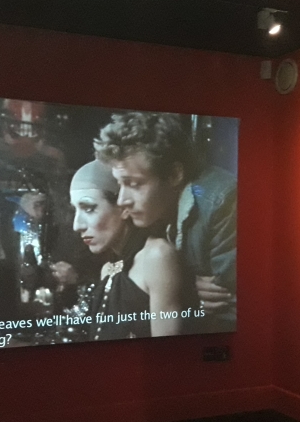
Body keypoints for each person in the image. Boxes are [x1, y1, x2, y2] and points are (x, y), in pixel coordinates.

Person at [93, 112, 236, 333]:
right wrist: (188, 289)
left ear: (174, 174)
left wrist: (187, 298)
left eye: (134, 184)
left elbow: (237, 309)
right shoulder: (156, 210)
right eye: (120, 184)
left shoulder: (222, 202)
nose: (122, 200)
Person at [69, 160, 188, 339]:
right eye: (75, 210)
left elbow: (168, 351)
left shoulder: (157, 256)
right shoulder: (108, 270)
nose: (77, 225)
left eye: (89, 208)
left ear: (123, 209)